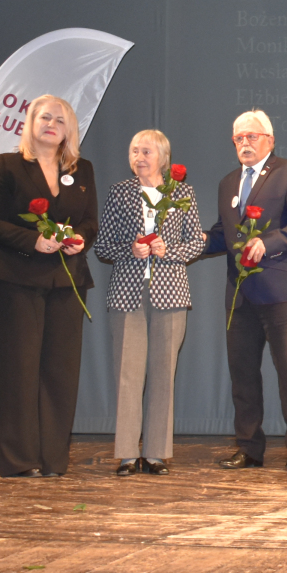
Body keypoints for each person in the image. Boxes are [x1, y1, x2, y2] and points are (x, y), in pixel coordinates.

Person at [0, 94, 98, 478]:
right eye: (44, 117)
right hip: (16, 280)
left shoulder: (82, 170)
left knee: (60, 373)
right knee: (18, 372)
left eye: (60, 120)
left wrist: (79, 239)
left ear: (69, 130)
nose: (52, 124)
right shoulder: (8, 165)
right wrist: (32, 240)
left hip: (67, 281)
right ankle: (20, 461)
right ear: (31, 123)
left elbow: (90, 222)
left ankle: (53, 460)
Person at [201, 110, 287, 471]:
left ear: (270, 139)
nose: (245, 143)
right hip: (240, 294)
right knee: (243, 375)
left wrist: (268, 243)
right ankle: (249, 447)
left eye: (252, 136)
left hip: (281, 291)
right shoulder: (228, 182)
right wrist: (194, 242)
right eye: (238, 138)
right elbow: (223, 233)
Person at [94, 129, 205, 475]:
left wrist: (167, 250)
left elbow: (197, 243)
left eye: (146, 152)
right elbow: (102, 246)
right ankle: (127, 452)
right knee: (127, 374)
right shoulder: (119, 192)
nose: (139, 157)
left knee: (163, 374)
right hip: (127, 293)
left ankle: (157, 452)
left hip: (170, 292)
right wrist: (130, 249)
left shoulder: (182, 193)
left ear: (163, 157)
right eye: (134, 151)